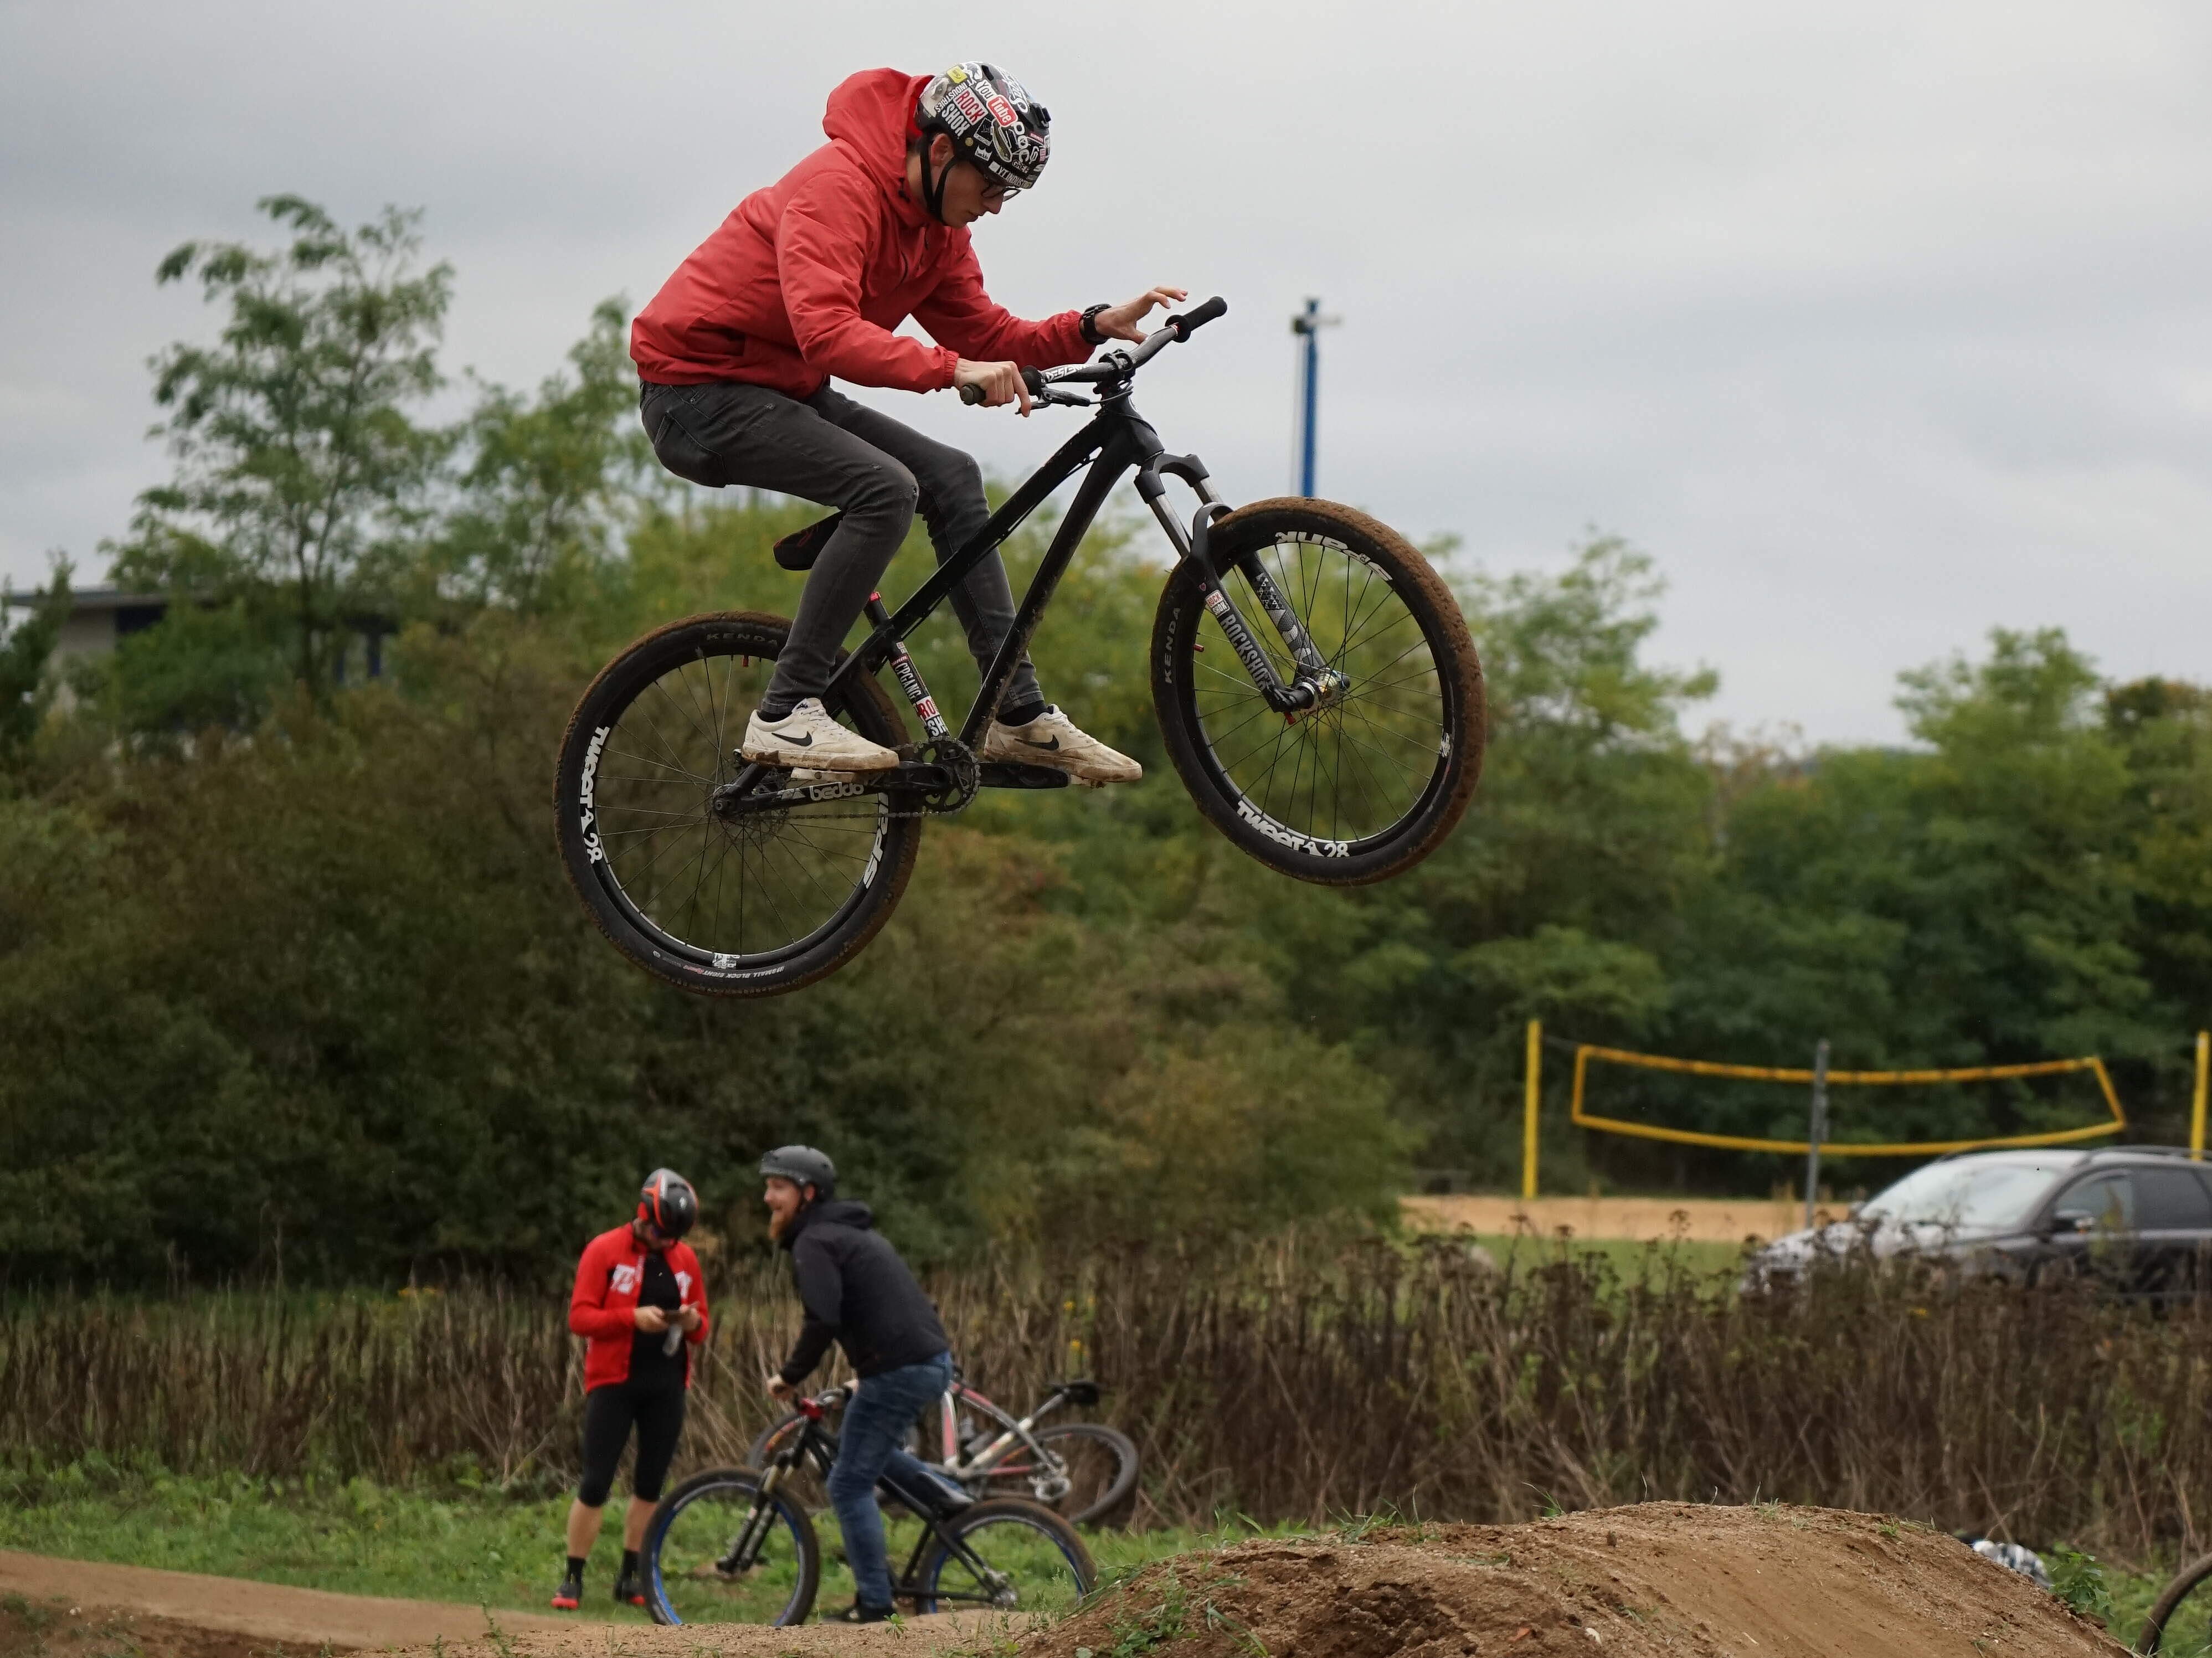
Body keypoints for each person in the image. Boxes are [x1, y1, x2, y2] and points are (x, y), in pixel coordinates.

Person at [630, 61, 1186, 785]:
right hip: (694, 391)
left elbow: (985, 330)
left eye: (1007, 194)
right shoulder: (836, 190)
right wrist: (948, 370)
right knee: (885, 487)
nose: (993, 207)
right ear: (941, 152)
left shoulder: (937, 231)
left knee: (951, 477)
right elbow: (826, 333)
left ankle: (1013, 718)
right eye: (989, 187)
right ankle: (785, 712)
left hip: (777, 386)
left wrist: (1090, 324)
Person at [758, 1145, 960, 1624]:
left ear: (807, 1194)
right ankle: (950, 1498)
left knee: (848, 1483)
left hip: (900, 1369)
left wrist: (789, 1376)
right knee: (863, 1451)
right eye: (767, 1186)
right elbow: (889, 1308)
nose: (767, 1197)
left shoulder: (817, 1241)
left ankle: (874, 1605)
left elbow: (823, 1318)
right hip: (924, 1362)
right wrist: (860, 1376)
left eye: (778, 1187)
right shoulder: (849, 1235)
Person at [553, 1169, 711, 1611]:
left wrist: (693, 1322)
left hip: (666, 1384)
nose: (666, 1242)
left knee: (650, 1482)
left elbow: (704, 1324)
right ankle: (573, 1577)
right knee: (597, 1480)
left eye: (675, 1236)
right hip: (615, 1381)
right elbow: (580, 1318)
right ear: (643, 1216)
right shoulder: (604, 1250)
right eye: (661, 1231)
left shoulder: (686, 1260)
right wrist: (631, 1318)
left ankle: (631, 1574)